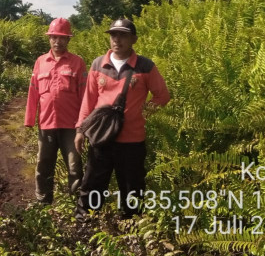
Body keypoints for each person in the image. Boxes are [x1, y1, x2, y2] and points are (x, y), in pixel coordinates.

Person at [74, 18, 170, 220]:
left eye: (123, 35)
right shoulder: (98, 64)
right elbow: (88, 100)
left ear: (133, 39)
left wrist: (141, 112)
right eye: (113, 35)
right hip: (100, 136)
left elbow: (163, 96)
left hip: (132, 140)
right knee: (92, 183)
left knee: (132, 187)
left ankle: (132, 226)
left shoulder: (145, 66)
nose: (117, 39)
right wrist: (80, 130)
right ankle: (85, 221)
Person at [24, 18, 87, 204]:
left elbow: (85, 96)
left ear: (68, 40)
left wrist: (83, 125)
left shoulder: (77, 63)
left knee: (75, 167)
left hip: (71, 126)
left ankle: (77, 204)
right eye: (54, 37)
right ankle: (43, 201)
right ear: (49, 39)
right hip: (47, 124)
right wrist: (29, 120)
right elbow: (33, 92)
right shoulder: (40, 62)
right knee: (44, 166)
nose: (57, 41)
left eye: (62, 38)